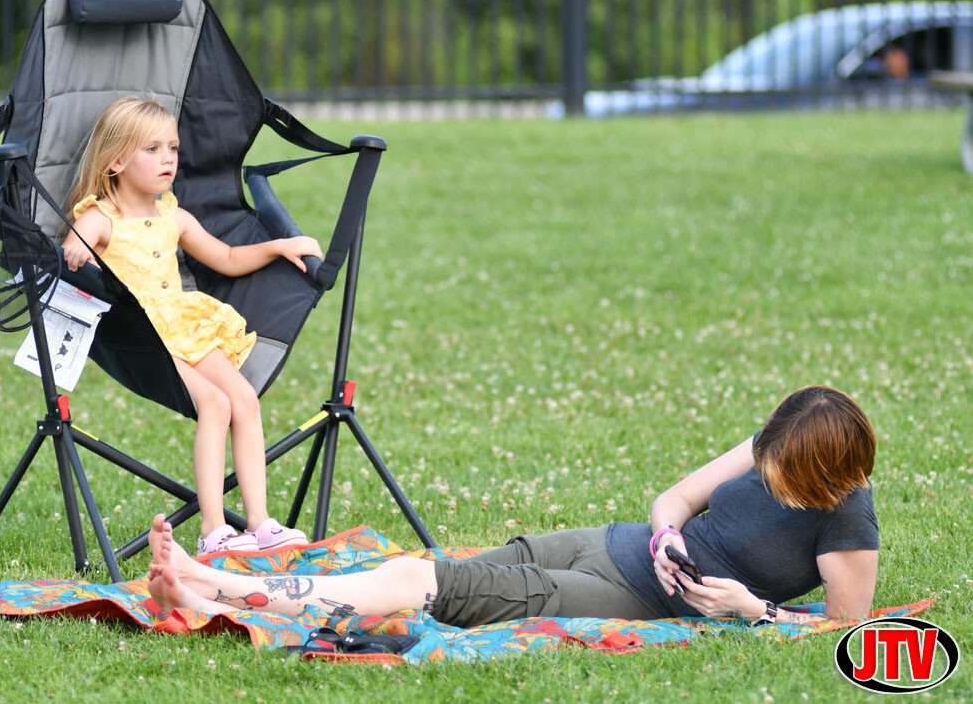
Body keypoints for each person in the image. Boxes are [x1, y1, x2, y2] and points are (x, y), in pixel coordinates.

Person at [147, 385, 880, 626]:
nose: (766, 472)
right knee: (433, 577)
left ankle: (220, 591)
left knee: (434, 583)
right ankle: (218, 590)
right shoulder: (775, 441)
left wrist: (753, 609)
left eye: (782, 472)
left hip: (638, 598)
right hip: (617, 544)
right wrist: (666, 538)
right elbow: (677, 498)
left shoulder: (846, 519)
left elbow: (848, 628)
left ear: (825, 472)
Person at [62, 96, 323, 556]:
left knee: (244, 397)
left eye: (173, 148)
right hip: (145, 337)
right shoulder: (99, 219)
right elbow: (74, 254)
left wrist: (279, 246)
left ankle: (260, 523)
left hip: (188, 326)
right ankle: (213, 530)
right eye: (153, 149)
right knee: (215, 403)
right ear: (116, 161)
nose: (168, 159)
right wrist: (78, 250)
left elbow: (227, 257)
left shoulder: (174, 216)